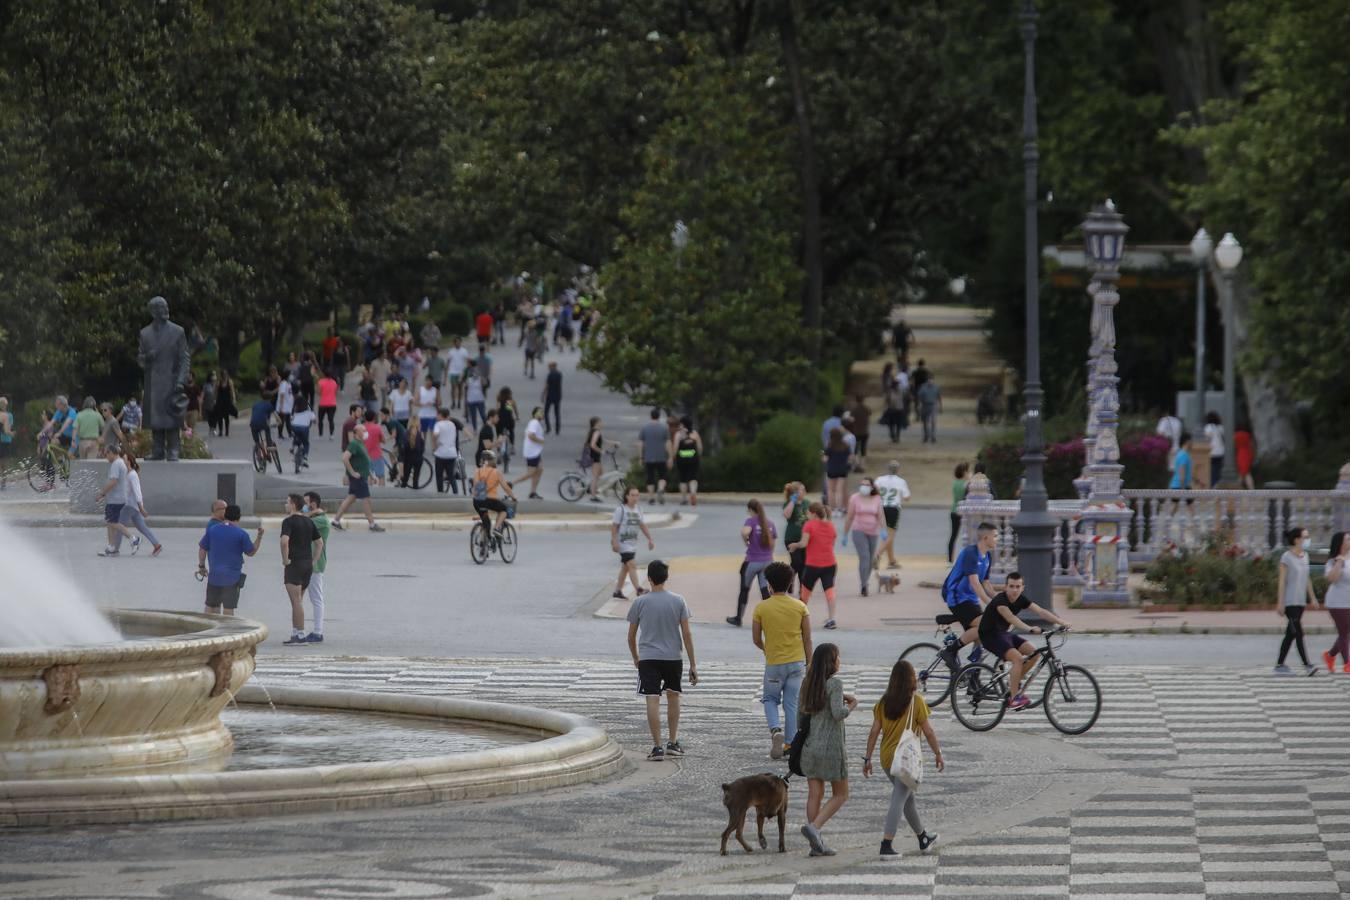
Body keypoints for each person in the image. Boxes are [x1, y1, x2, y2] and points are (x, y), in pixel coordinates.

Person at [861, 659, 942, 858]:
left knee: (908, 800)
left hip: (887, 758)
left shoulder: (883, 702)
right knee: (899, 799)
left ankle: (923, 838)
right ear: (911, 679)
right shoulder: (916, 702)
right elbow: (929, 732)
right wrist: (938, 753)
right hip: (905, 759)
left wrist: (867, 758)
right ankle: (886, 844)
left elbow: (874, 732)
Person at [625, 559, 698, 761]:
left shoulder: (639, 602)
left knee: (652, 699)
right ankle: (673, 742)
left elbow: (630, 636)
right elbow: (687, 634)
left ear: (649, 578)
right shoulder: (678, 600)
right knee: (673, 696)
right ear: (666, 578)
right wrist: (692, 663)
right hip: (673, 657)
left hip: (648, 658)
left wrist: (636, 658)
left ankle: (657, 746)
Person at [977, 571, 1070, 709]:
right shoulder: (1000, 601)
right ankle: (1014, 699)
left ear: (1022, 587)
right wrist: (1030, 628)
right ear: (1005, 587)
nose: (1015, 590)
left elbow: (1040, 611)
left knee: (1034, 653)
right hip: (989, 636)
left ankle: (1015, 681)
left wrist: (1060, 621)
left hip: (1003, 634)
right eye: (1011, 586)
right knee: (1018, 659)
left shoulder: (1021, 599)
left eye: (1018, 586)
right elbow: (1011, 618)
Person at [797, 642, 856, 857]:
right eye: (838, 657)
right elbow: (838, 713)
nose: (840, 661)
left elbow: (799, 718)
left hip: (810, 746)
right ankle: (815, 828)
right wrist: (851, 704)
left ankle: (816, 844)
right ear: (831, 662)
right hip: (831, 749)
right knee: (841, 794)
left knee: (815, 794)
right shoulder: (835, 684)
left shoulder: (806, 683)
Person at [752, 562, 811, 759]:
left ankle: (775, 730)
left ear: (769, 584)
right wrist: (809, 663)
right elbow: (807, 638)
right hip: (797, 663)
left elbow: (756, 639)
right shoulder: (800, 607)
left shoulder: (761, 608)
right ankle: (789, 744)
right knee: (791, 703)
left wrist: (766, 649)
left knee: (770, 699)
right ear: (790, 583)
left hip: (774, 664)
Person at [938, 521, 998, 669]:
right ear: (985, 538)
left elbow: (986, 583)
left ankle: (973, 679)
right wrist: (990, 603)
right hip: (957, 598)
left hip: (971, 600)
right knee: (984, 625)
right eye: (995, 536)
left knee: (981, 638)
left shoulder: (987, 557)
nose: (998, 539)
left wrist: (1001, 600)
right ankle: (950, 651)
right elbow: (974, 583)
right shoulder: (971, 553)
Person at [197, 504, 263, 615]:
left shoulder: (213, 530)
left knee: (211, 606)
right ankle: (227, 631)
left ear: (225, 515)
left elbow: (202, 548)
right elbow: (251, 552)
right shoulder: (241, 534)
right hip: (232, 578)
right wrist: (259, 537)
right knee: (228, 608)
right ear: (239, 517)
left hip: (214, 576)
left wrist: (202, 566)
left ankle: (208, 630)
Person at [1275, 525, 1321, 675]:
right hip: (1290, 602)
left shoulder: (1305, 556)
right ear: (1296, 540)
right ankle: (1307, 665)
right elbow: (1282, 581)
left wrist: (1312, 597)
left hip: (1300, 602)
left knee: (1290, 634)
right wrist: (1280, 602)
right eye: (1305, 537)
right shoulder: (1286, 557)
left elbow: (1307, 579)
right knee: (1298, 633)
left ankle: (1279, 665)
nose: (1307, 540)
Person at [279, 493, 324, 646]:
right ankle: (295, 631)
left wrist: (285, 560)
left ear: (293, 505)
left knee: (296, 601)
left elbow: (284, 542)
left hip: (294, 564)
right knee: (297, 601)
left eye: (287, 502)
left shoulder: (288, 522)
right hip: (307, 565)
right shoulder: (308, 522)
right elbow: (319, 543)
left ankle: (301, 634)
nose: (285, 505)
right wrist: (314, 560)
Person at [789, 503, 839, 630]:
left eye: (808, 513)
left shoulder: (809, 525)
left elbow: (804, 543)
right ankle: (832, 619)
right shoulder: (831, 526)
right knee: (829, 591)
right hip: (830, 563)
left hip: (813, 564)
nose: (807, 515)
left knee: (805, 591)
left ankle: (798, 619)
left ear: (814, 514)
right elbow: (832, 544)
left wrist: (794, 545)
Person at [728, 499, 778, 627]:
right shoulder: (770, 523)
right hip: (767, 561)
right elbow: (773, 544)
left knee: (744, 589)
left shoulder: (751, 521)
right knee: (765, 590)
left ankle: (738, 618)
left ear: (751, 510)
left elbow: (744, 532)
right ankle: (770, 618)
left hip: (752, 561)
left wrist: (747, 542)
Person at [332, 421, 385, 532]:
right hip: (358, 477)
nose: (366, 432)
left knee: (351, 498)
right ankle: (372, 524)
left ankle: (336, 521)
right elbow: (345, 458)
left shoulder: (361, 444)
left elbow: (365, 461)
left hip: (362, 476)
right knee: (366, 499)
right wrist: (352, 472)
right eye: (363, 431)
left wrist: (371, 475)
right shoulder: (354, 444)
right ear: (357, 433)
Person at [612, 485, 655, 600]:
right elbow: (615, 527)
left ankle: (617, 591)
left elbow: (642, 525)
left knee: (625, 568)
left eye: (637, 495)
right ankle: (638, 589)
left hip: (632, 543)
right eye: (632, 495)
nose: (635, 498)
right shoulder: (621, 509)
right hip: (623, 543)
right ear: (627, 496)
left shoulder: (638, 509)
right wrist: (614, 541)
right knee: (632, 564)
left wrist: (650, 539)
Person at [117, 451, 163, 557]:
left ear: (128, 461)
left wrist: (141, 507)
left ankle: (115, 548)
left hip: (130, 506)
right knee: (142, 527)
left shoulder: (132, 475)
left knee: (119, 525)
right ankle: (157, 545)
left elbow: (137, 492)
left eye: (123, 459)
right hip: (131, 506)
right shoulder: (126, 474)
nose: (121, 461)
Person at [843, 477, 883, 596]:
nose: (863, 487)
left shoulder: (877, 498)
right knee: (864, 557)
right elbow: (849, 516)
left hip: (873, 531)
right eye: (862, 484)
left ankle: (865, 580)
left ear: (871, 487)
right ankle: (864, 584)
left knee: (870, 559)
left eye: (866, 485)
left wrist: (883, 530)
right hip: (858, 530)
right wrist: (845, 534)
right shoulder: (855, 498)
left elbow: (880, 516)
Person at [94, 444, 134, 557]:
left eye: (106, 454)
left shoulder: (116, 464)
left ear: (112, 453)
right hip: (116, 498)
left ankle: (133, 538)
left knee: (112, 522)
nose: (105, 457)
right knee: (110, 522)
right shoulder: (120, 463)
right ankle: (112, 547)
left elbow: (113, 481)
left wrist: (101, 493)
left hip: (116, 499)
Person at [875, 461, 911, 570]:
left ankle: (891, 560)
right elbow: (907, 497)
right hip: (893, 508)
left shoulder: (880, 479)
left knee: (887, 535)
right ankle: (877, 555)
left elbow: (874, 490)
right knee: (890, 535)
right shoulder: (901, 481)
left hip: (881, 507)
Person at [1322, 532, 1350, 673]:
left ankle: (1330, 655)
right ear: (1341, 543)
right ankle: (1347, 664)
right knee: (1344, 633)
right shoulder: (1332, 561)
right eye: (1348, 539)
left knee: (1346, 633)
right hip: (1337, 602)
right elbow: (1332, 579)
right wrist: (1339, 562)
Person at [470, 449, 516, 537]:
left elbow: (475, 486)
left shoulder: (477, 471)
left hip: (477, 501)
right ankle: (496, 528)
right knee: (503, 510)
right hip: (490, 500)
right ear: (491, 460)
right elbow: (506, 487)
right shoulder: (496, 472)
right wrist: (513, 497)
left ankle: (483, 544)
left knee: (486, 522)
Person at [782, 482, 811, 594]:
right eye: (801, 490)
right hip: (791, 538)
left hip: (805, 539)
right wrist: (792, 502)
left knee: (803, 564)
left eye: (804, 490)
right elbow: (787, 515)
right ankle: (790, 581)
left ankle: (801, 587)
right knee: (797, 562)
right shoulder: (788, 503)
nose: (804, 492)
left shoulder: (807, 503)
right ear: (795, 492)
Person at [638, 408, 670, 504]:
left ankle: (651, 497)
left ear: (650, 416)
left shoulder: (645, 428)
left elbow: (640, 443)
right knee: (662, 476)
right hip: (661, 457)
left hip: (648, 456)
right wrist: (670, 456)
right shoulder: (664, 428)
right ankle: (660, 489)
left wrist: (640, 457)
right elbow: (667, 443)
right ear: (659, 416)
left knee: (650, 477)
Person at [673, 417, 703, 506]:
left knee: (683, 479)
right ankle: (693, 492)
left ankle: (684, 498)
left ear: (683, 424)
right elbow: (700, 447)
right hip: (693, 458)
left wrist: (673, 457)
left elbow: (675, 448)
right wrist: (699, 455)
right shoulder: (695, 434)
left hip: (682, 459)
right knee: (693, 477)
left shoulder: (678, 435)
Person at [822, 428, 852, 513]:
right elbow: (850, 458)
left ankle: (832, 508)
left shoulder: (830, 446)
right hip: (842, 469)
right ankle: (840, 508)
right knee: (840, 490)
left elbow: (825, 459)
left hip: (831, 469)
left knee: (831, 490)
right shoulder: (845, 445)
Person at [431, 408, 460, 494]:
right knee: (451, 476)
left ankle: (440, 494)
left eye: (437, 415)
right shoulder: (452, 424)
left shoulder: (438, 424)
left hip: (441, 453)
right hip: (452, 453)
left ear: (440, 415)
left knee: (439, 476)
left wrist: (434, 445)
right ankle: (456, 493)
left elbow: (435, 435)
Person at [520, 406, 546, 499]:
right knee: (531, 473)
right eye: (541, 412)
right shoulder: (534, 423)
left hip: (535, 452)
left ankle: (533, 492)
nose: (543, 414)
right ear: (536, 414)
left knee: (540, 469)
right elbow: (531, 435)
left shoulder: (535, 423)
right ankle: (511, 484)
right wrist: (540, 441)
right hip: (532, 452)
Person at [948, 463, 969, 562]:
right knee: (967, 535)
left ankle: (950, 559)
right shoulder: (966, 484)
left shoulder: (955, 483)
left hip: (953, 510)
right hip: (963, 512)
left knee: (953, 535)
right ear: (964, 472)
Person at [585, 416, 608, 502]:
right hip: (595, 456)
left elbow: (602, 440)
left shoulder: (592, 431)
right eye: (601, 422)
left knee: (601, 473)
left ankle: (591, 488)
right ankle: (593, 496)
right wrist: (601, 450)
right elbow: (593, 444)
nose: (602, 424)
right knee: (595, 477)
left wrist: (613, 443)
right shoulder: (596, 432)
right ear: (597, 423)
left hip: (593, 456)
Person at [398, 416, 424, 489]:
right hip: (418, 458)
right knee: (416, 479)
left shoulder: (406, 433)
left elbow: (403, 449)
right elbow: (422, 448)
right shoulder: (420, 434)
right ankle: (415, 493)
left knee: (405, 480)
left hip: (408, 458)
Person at [362, 410, 385, 486]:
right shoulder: (377, 428)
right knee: (381, 476)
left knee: (368, 475)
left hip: (365, 456)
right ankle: (382, 494)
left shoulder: (361, 428)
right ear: (374, 418)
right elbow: (383, 440)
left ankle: (369, 493)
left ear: (365, 418)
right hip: (377, 455)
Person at [447, 337, 471, 409]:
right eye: (456, 342)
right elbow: (448, 362)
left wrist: (467, 371)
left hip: (461, 372)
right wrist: (446, 371)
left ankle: (459, 402)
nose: (458, 343)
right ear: (454, 343)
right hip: (453, 372)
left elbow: (467, 361)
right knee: (453, 387)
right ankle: (453, 402)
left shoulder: (464, 351)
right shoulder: (451, 351)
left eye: (459, 342)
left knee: (460, 388)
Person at [290, 398, 314, 470]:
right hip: (304, 428)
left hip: (294, 427)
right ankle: (305, 459)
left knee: (295, 436)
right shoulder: (309, 412)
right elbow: (314, 419)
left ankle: (293, 448)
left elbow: (291, 419)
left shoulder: (295, 411)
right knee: (306, 443)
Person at [917, 376, 941, 443]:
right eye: (929, 380)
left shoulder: (936, 387)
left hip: (933, 406)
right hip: (925, 405)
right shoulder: (923, 387)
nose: (930, 381)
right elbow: (919, 397)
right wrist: (919, 405)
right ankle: (926, 436)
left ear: (933, 380)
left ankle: (933, 436)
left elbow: (939, 397)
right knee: (925, 422)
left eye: (931, 380)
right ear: (927, 381)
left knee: (933, 421)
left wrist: (940, 406)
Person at [1204, 411, 1226, 486]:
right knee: (1218, 471)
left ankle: (1212, 486)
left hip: (1212, 452)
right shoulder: (1220, 427)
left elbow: (1207, 439)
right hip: (1221, 451)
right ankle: (1217, 485)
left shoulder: (1208, 427)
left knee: (1211, 471)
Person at [464, 362, 487, 430]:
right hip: (471, 400)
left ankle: (486, 426)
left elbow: (485, 383)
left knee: (482, 414)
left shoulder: (480, 379)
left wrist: (481, 376)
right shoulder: (468, 380)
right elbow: (466, 386)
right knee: (473, 416)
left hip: (480, 399)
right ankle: (475, 429)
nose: (474, 373)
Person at [848, 395, 870, 463]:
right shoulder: (866, 408)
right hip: (865, 431)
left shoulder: (854, 409)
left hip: (856, 431)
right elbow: (870, 413)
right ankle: (862, 463)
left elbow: (851, 419)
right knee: (863, 448)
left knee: (856, 448)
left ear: (856, 400)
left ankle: (856, 463)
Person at [316, 370, 339, 439]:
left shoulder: (321, 382)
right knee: (331, 420)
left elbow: (319, 392)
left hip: (323, 403)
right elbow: (336, 393)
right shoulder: (334, 382)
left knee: (320, 420)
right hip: (332, 403)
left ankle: (320, 434)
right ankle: (331, 434)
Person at [1234, 422, 1256, 490]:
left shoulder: (1236, 435)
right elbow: (1252, 446)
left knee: (1243, 473)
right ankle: (1250, 488)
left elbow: (1234, 446)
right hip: (1247, 454)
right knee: (1245, 472)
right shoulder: (1247, 435)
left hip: (1240, 454)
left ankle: (1237, 488)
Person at [542, 361, 562, 433]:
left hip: (550, 395)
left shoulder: (550, 375)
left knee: (546, 412)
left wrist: (543, 395)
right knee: (557, 413)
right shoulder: (559, 374)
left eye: (549, 366)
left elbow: (547, 385)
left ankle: (548, 428)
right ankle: (557, 429)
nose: (548, 368)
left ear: (553, 366)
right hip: (558, 395)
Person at [275, 373, 294, 438]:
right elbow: (282, 395)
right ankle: (280, 434)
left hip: (288, 406)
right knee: (281, 421)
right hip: (283, 406)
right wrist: (281, 406)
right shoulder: (284, 384)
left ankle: (290, 433)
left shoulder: (288, 383)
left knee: (288, 420)